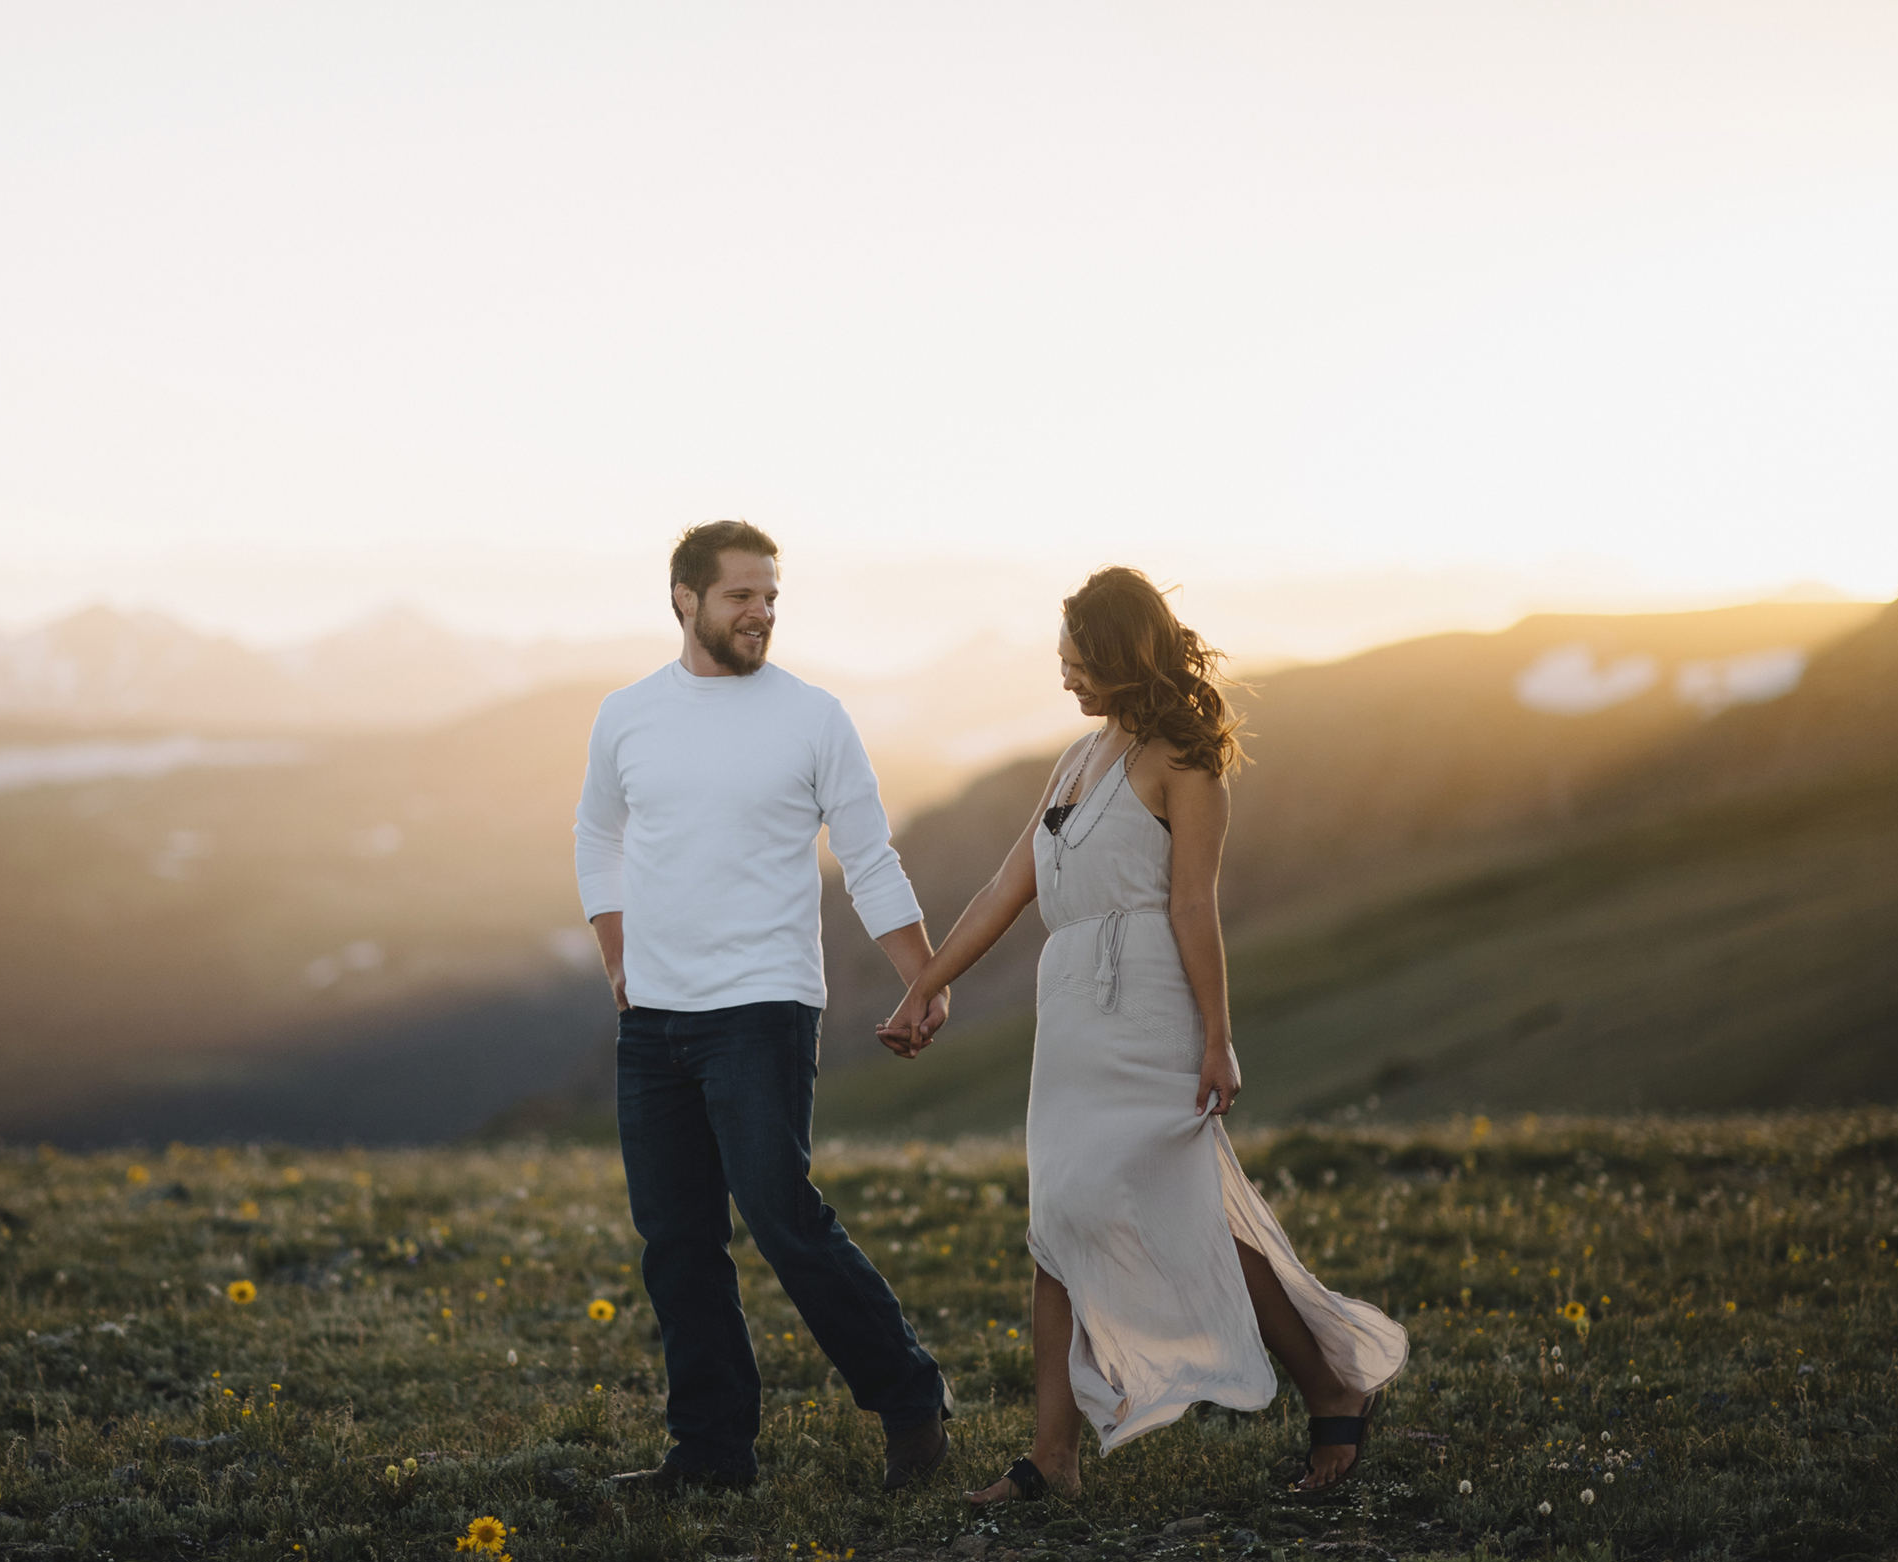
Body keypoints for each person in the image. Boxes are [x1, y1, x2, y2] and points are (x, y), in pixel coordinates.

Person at [877, 567, 1407, 1501]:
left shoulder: (1184, 757)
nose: (1069, 681)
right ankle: (1053, 1458)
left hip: (1151, 1002)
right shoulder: (1076, 758)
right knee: (1057, 1219)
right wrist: (927, 983)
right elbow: (1009, 885)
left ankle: (1331, 1381)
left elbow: (1194, 903)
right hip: (1073, 1009)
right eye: (1063, 663)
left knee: (1183, 1210)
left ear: (1124, 656)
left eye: (1081, 664)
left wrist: (1217, 1036)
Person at [573, 519, 957, 1495]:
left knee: (781, 1215)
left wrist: (924, 975)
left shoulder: (813, 716)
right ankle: (710, 1453)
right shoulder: (626, 715)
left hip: (763, 1008)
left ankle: (909, 1400)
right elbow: (596, 836)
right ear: (684, 599)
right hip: (653, 1022)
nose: (762, 613)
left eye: (772, 597)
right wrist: (617, 956)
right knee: (676, 1240)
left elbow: (870, 857)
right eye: (743, 595)